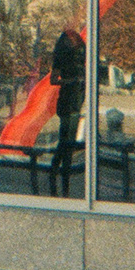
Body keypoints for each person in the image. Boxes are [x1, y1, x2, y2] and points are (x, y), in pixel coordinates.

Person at [50, 22, 87, 196]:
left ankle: (60, 174)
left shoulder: (81, 51)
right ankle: (58, 172)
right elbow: (53, 79)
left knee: (68, 140)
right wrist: (68, 81)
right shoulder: (62, 55)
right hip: (67, 99)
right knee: (65, 140)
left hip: (76, 97)